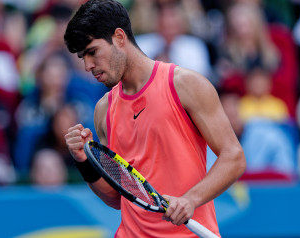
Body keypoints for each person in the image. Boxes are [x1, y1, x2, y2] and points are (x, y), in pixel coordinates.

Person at [63, 1, 246, 237]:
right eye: (82, 57)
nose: (88, 66)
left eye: (92, 52)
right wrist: (83, 162)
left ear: (119, 37)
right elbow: (119, 197)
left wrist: (190, 200)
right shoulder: (103, 110)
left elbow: (234, 158)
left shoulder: (185, 85)